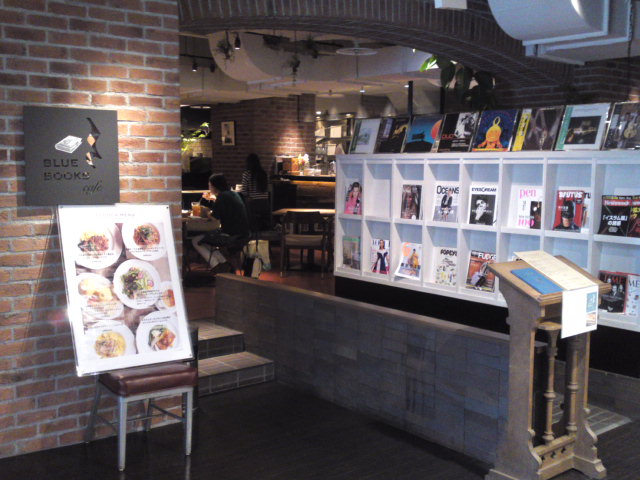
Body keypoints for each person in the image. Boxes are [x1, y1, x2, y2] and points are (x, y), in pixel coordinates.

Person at [192, 173, 250, 272]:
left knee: (196, 240)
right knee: (205, 239)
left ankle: (216, 266)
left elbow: (214, 217)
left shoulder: (222, 197)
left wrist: (205, 211)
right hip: (243, 233)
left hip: (231, 235)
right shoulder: (232, 193)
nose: (209, 188)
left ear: (215, 186)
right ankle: (223, 263)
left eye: (210, 186)